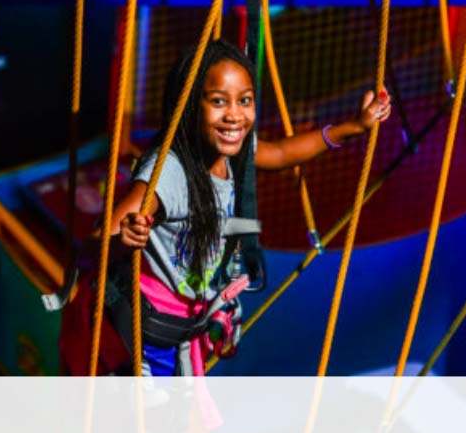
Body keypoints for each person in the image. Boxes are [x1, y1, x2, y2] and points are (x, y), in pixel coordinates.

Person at [62, 39, 390, 376]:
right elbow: (98, 240)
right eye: (219, 102)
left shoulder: (232, 153)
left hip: (189, 321)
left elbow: (279, 153)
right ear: (190, 106)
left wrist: (353, 127)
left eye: (244, 101)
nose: (234, 115)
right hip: (152, 334)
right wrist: (126, 237)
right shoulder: (170, 173)